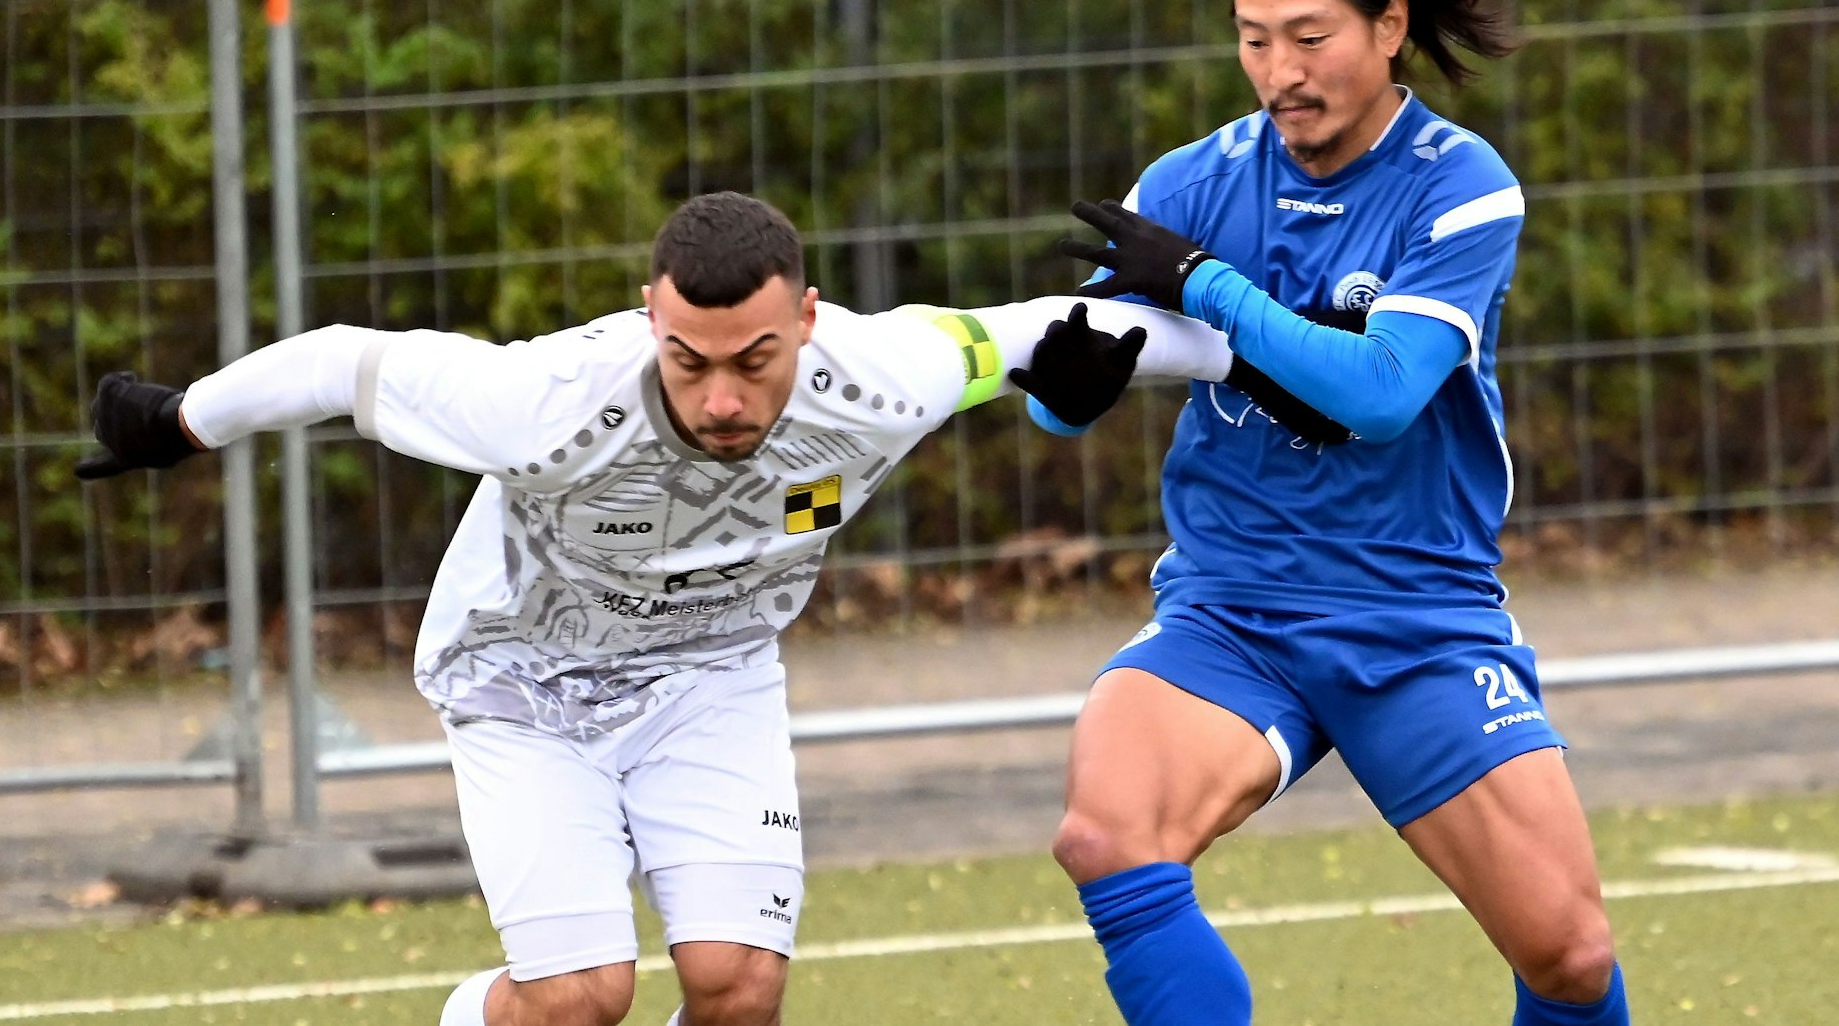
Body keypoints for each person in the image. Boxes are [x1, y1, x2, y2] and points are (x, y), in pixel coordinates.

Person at [74, 191, 1237, 1026]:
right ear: (647, 318)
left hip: (712, 678)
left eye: (755, 359)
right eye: (689, 361)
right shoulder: (541, 398)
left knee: (738, 985)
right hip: (519, 682)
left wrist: (1242, 356)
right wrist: (179, 421)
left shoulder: (889, 372)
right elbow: (341, 362)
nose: (723, 397)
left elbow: (1041, 334)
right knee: (582, 999)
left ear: (811, 321)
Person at [1031, 0, 1632, 1024]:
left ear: (1388, 25)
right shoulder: (1188, 183)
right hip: (1231, 606)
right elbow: (1089, 371)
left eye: (1308, 38)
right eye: (1252, 39)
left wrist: (1204, 282)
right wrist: (1065, 402)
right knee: (1105, 832)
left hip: (1408, 616)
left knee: (1566, 956)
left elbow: (1377, 397)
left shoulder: (1458, 184)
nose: (1278, 71)